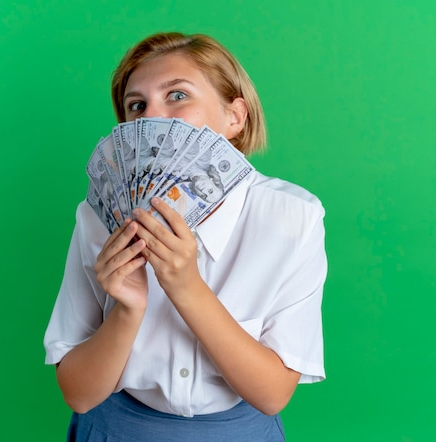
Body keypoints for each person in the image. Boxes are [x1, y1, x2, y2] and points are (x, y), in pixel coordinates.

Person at [44, 31, 328, 441]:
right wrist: (127, 310)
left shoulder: (292, 219)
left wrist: (186, 285)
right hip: (114, 427)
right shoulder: (98, 216)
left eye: (177, 95)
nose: (151, 118)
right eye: (136, 105)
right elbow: (79, 394)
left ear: (235, 117)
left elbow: (271, 396)